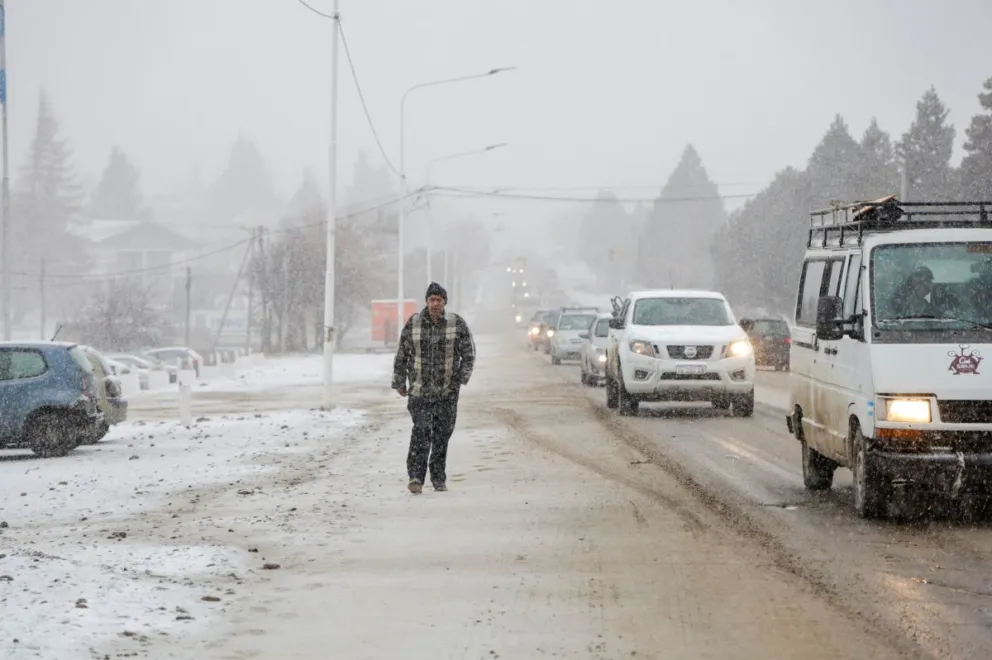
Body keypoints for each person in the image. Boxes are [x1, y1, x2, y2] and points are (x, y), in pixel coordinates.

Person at [391, 282, 476, 494]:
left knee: (441, 436)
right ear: (426, 302)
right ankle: (416, 477)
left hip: (446, 393)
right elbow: (402, 354)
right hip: (420, 392)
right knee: (421, 431)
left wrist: (460, 379)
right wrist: (400, 382)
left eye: (439, 300)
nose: (435, 304)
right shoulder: (415, 323)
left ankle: (438, 477)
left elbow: (469, 354)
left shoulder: (456, 324)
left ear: (445, 302)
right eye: (431, 300)